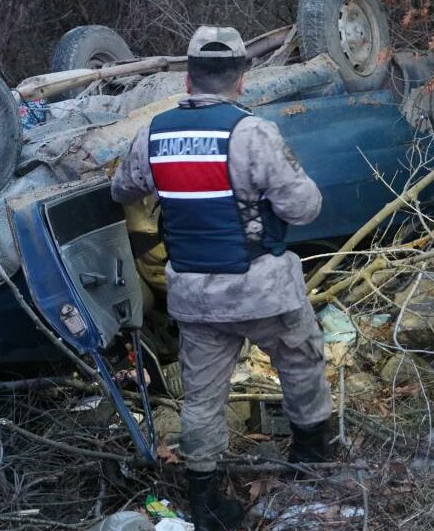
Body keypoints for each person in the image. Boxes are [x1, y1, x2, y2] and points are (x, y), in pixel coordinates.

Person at [110, 26, 333, 530]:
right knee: (301, 360)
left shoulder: (153, 133)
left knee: (203, 398)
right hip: (262, 291)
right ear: (242, 78)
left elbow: (123, 189)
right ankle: (312, 458)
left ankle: (206, 501)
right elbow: (304, 209)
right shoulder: (253, 132)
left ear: (188, 80)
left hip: (195, 297)